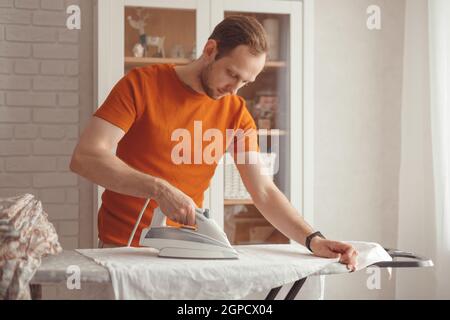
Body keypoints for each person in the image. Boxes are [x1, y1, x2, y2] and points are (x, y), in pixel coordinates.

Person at [70, 15, 358, 271]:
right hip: (122, 250)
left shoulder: (235, 113)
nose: (234, 89)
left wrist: (313, 240)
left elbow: (264, 191)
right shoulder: (141, 85)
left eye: (245, 81)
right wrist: (158, 188)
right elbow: (87, 157)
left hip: (187, 253)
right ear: (210, 50)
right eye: (232, 73)